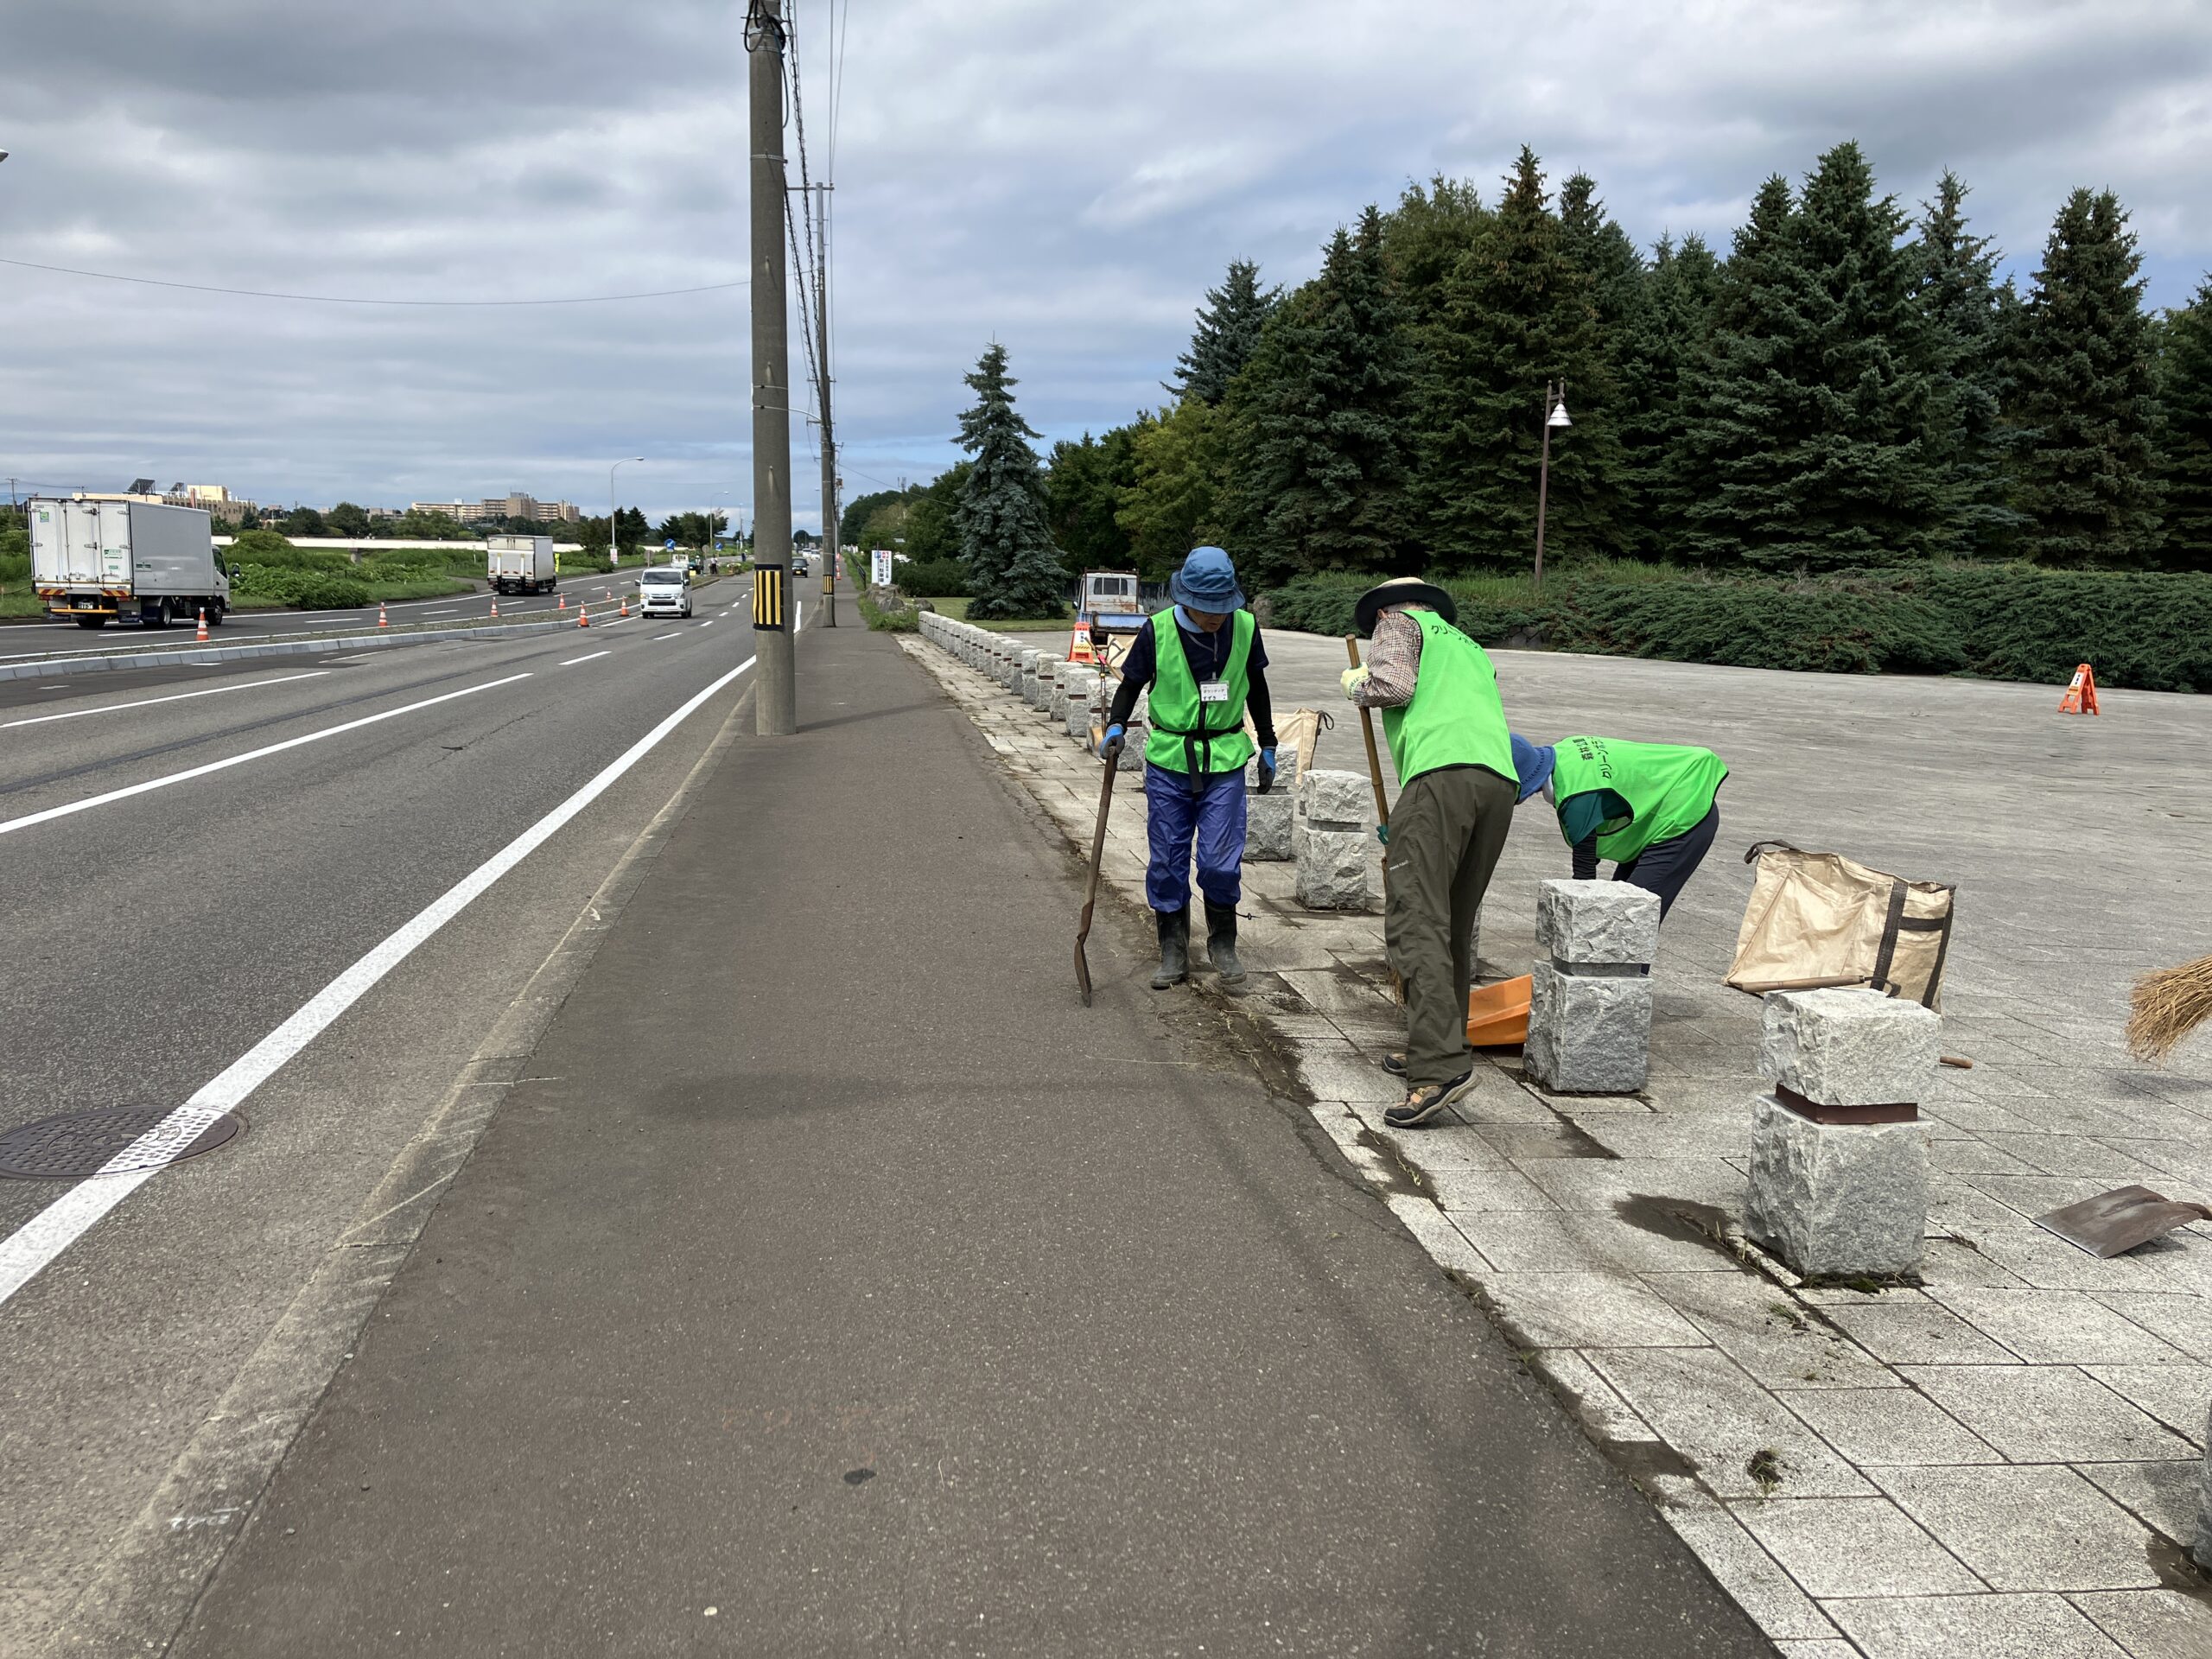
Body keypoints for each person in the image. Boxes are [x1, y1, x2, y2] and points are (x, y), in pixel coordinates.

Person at [1343, 577, 1519, 1128]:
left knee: (1417, 919)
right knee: (1452, 922)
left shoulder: (1399, 624)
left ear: (1385, 612)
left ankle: (1439, 1068)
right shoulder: (1469, 647)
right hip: (1496, 782)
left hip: (1440, 777)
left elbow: (1391, 686)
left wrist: (1354, 680)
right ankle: (1441, 1039)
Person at [1098, 547, 1278, 993]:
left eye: (1222, 606)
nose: (1216, 616)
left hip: (1225, 757)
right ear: (1186, 599)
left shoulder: (1245, 627)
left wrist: (1269, 744)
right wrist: (1116, 724)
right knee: (1167, 860)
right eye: (1206, 607)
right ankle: (1173, 948)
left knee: (1220, 861)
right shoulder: (1157, 630)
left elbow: (1257, 686)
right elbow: (1132, 684)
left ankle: (1223, 943)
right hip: (1170, 759)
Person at [1510, 734, 1726, 918]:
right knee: (1619, 906)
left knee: (1633, 914)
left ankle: (1628, 958)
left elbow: (1585, 877)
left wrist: (1575, 926)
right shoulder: (1567, 748)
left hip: (1684, 817)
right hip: (1656, 811)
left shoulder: (1576, 799)